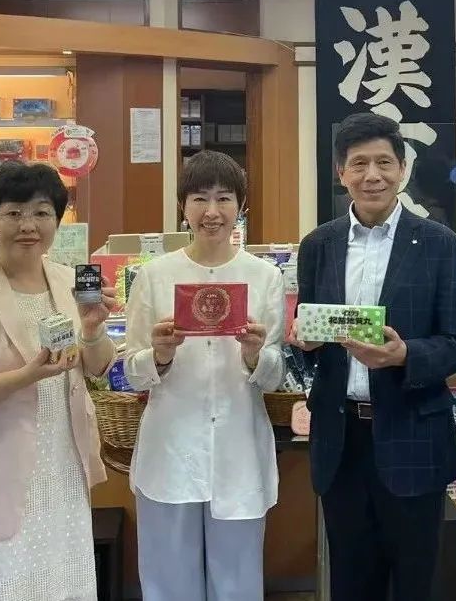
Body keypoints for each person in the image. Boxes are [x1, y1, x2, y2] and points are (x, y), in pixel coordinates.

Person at [293, 112, 456, 601]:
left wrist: (404, 354)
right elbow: (308, 345)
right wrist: (304, 344)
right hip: (341, 441)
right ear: (341, 172)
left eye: (384, 163)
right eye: (359, 164)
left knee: (415, 583)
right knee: (351, 582)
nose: (372, 175)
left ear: (403, 169)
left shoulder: (440, 244)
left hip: (414, 435)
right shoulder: (318, 245)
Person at [0, 161, 117, 601]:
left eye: (42, 213)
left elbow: (98, 369)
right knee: (0, 581)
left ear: (57, 220)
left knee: (59, 579)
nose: (28, 225)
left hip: (62, 459)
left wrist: (93, 330)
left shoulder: (70, 282)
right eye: (14, 213)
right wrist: (26, 376)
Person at [124, 150, 285, 601]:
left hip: (239, 447)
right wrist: (157, 356)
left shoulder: (264, 276)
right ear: (183, 206)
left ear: (241, 206)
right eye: (199, 198)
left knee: (238, 581)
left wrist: (255, 355)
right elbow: (130, 372)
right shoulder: (154, 276)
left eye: (224, 198)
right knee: (168, 581)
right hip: (170, 448)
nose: (211, 211)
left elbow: (275, 375)